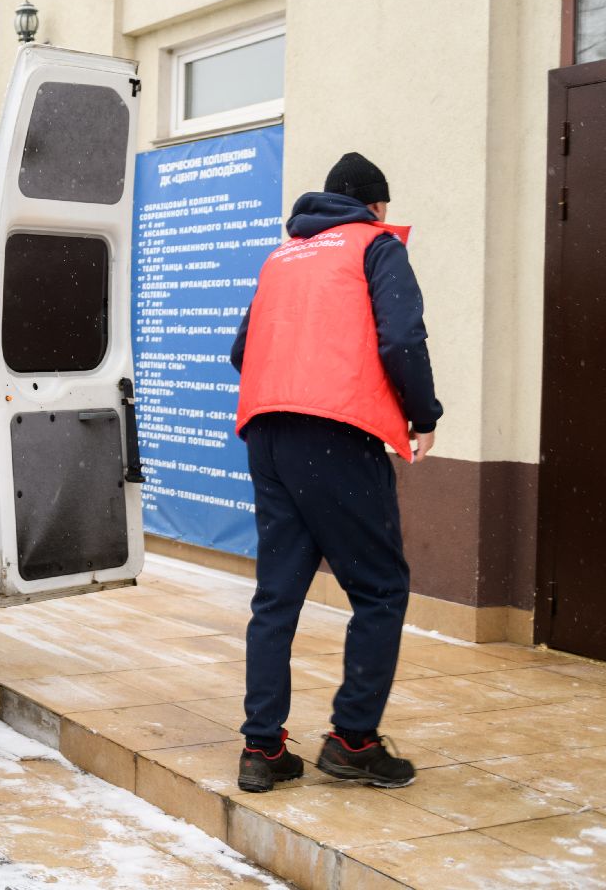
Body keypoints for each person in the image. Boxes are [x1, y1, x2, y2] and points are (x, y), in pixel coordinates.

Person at [229, 152, 442, 793]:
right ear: (376, 207)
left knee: (277, 596)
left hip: (267, 433)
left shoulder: (282, 257)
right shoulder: (376, 246)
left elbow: (242, 351)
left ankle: (262, 749)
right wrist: (422, 413)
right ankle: (353, 741)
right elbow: (402, 338)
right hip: (337, 436)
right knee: (379, 591)